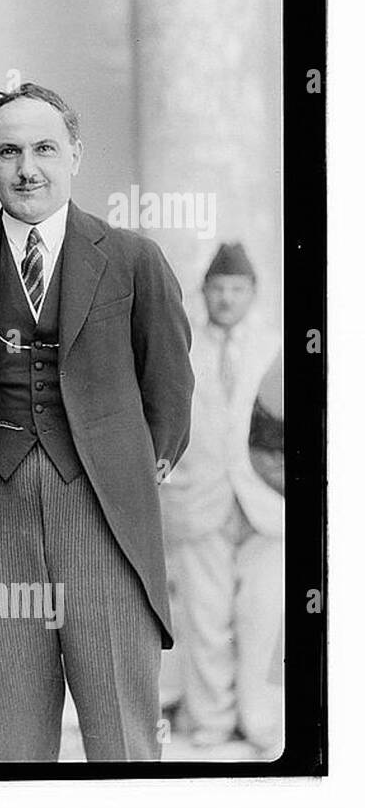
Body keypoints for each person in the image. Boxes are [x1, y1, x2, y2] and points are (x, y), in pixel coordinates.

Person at [0, 82, 194, 761]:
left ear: (75, 154)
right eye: (8, 151)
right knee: (17, 739)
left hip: (103, 514)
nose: (27, 168)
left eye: (45, 148)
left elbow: (169, 386)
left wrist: (121, 464)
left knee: (123, 737)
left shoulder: (134, 259)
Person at [160, 243, 283, 755]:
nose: (226, 298)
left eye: (236, 289)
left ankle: (254, 719)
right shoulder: (180, 346)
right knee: (204, 619)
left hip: (267, 504)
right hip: (199, 499)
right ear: (203, 292)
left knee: (259, 616)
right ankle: (210, 722)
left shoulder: (276, 347)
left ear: (252, 293)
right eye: (218, 289)